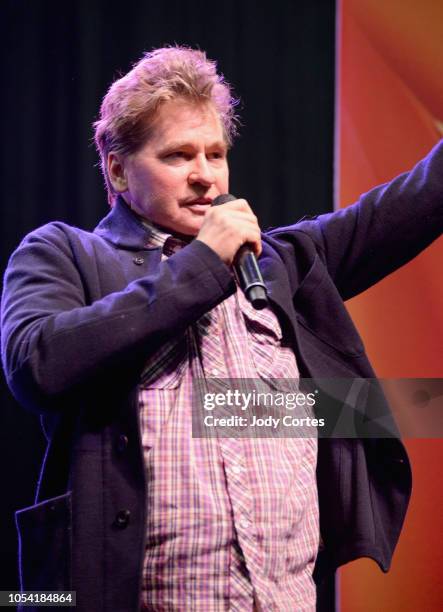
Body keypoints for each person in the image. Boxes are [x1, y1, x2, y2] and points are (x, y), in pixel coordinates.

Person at [1, 46, 442, 612]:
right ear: (117, 168)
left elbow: (402, 207)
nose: (205, 176)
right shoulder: (66, 253)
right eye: (179, 155)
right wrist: (203, 265)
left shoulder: (277, 261)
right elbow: (38, 364)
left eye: (216, 154)